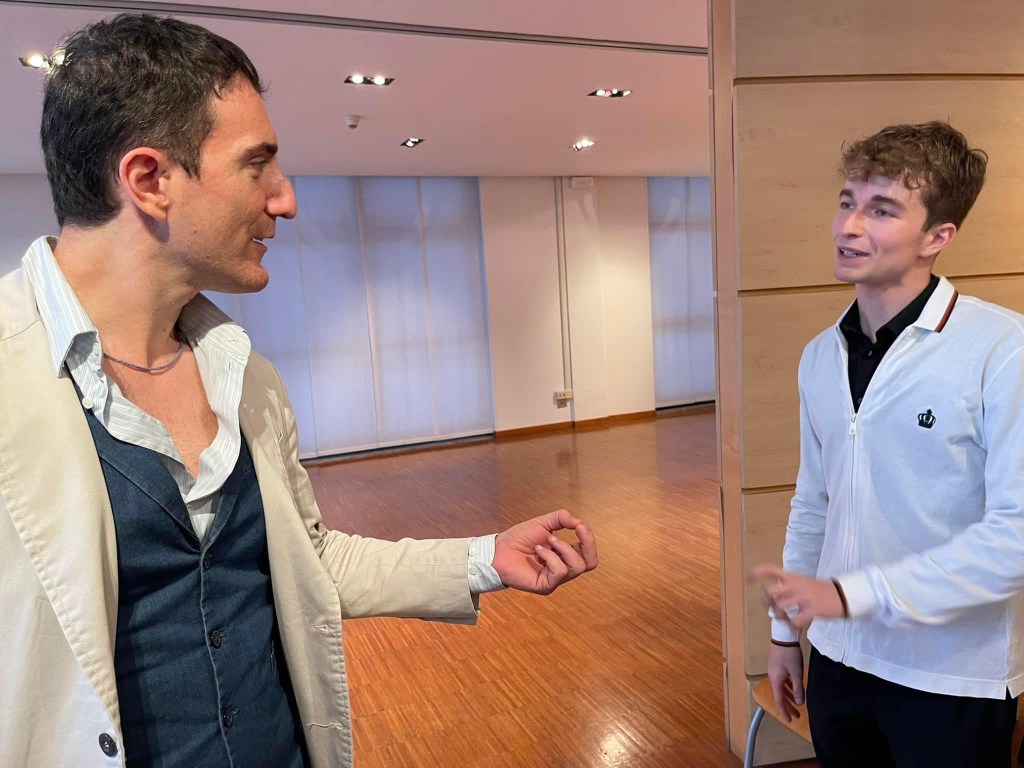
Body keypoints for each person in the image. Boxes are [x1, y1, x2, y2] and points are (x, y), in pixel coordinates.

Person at [0, 14, 597, 768]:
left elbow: (304, 558)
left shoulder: (246, 376)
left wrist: (485, 558)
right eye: (257, 166)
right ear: (151, 181)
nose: (285, 200)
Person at [750, 121, 1024, 768]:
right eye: (847, 201)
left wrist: (850, 595)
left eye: (881, 209)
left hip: (951, 677)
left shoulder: (1003, 350)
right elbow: (814, 503)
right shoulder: (820, 356)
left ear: (937, 237)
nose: (848, 227)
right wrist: (786, 636)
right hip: (839, 662)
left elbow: (1014, 537)